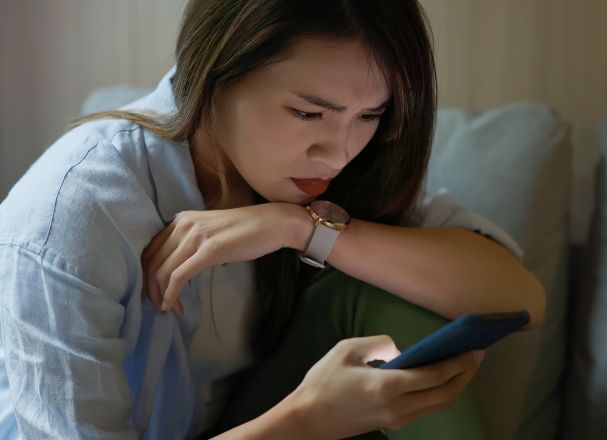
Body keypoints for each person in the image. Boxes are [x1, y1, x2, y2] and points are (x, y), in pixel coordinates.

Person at [0, 0, 545, 438]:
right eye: (308, 113)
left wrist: (303, 228)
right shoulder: (71, 212)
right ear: (215, 73)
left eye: (370, 116)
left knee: (397, 300)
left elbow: (521, 298)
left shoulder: (344, 177)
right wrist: (307, 420)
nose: (338, 154)